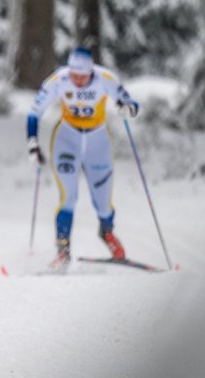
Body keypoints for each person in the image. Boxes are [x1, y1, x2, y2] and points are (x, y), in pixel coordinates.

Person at [26, 47, 141, 269]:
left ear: (91, 71)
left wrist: (127, 109)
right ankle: (63, 251)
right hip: (66, 138)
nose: (77, 81)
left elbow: (131, 103)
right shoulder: (59, 80)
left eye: (83, 76)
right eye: (74, 75)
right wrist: (32, 143)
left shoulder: (105, 79)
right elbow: (34, 112)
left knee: (103, 199)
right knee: (68, 196)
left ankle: (106, 231)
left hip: (98, 140)